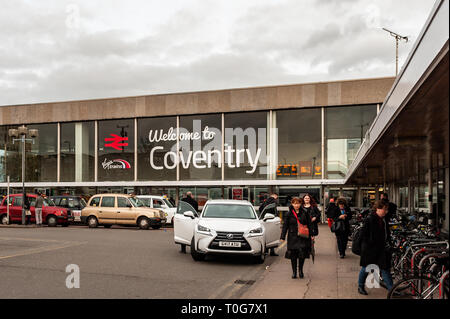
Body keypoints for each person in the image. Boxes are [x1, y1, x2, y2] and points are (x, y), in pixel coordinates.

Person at [357, 199, 394, 295]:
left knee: (385, 269)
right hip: (370, 250)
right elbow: (363, 234)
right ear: (378, 209)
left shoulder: (384, 219)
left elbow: (386, 233)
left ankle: (392, 290)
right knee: (366, 269)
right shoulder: (370, 219)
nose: (386, 212)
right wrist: (369, 244)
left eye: (387, 210)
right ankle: (360, 286)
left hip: (381, 250)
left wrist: (388, 242)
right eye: (384, 209)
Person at [280, 197, 314, 279]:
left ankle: (301, 271)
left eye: (298, 203)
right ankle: (294, 272)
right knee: (293, 255)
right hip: (292, 237)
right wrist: (282, 236)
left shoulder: (305, 212)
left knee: (302, 254)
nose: (296, 205)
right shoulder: (289, 214)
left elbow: (309, 224)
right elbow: (285, 226)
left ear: (300, 204)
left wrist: (312, 235)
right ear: (292, 204)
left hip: (303, 237)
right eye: (294, 203)